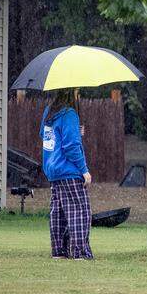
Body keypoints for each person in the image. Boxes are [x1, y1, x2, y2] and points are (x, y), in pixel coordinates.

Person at [40, 91, 94, 260]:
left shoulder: (50, 111)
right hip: (69, 170)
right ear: (71, 93)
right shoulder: (69, 113)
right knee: (80, 210)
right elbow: (71, 146)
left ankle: (59, 251)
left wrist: (76, 132)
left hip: (53, 170)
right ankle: (79, 252)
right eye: (77, 91)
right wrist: (84, 170)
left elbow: (46, 136)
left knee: (59, 212)